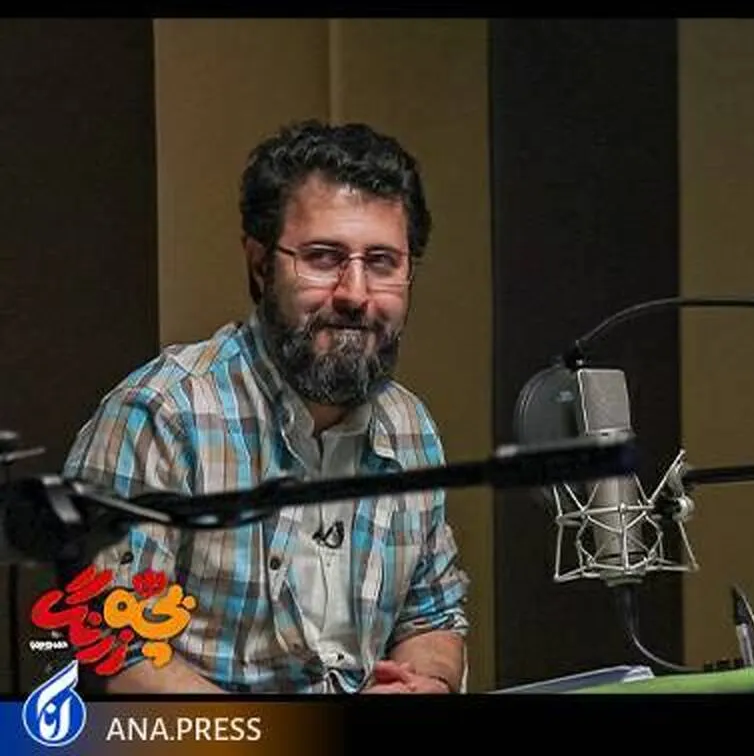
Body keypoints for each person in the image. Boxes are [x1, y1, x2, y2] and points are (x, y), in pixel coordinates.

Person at [61, 119, 469, 694]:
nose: (355, 294)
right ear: (260, 265)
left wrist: (428, 683)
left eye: (382, 262)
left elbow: (433, 618)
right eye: (323, 258)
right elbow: (115, 653)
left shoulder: (411, 428)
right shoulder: (161, 415)